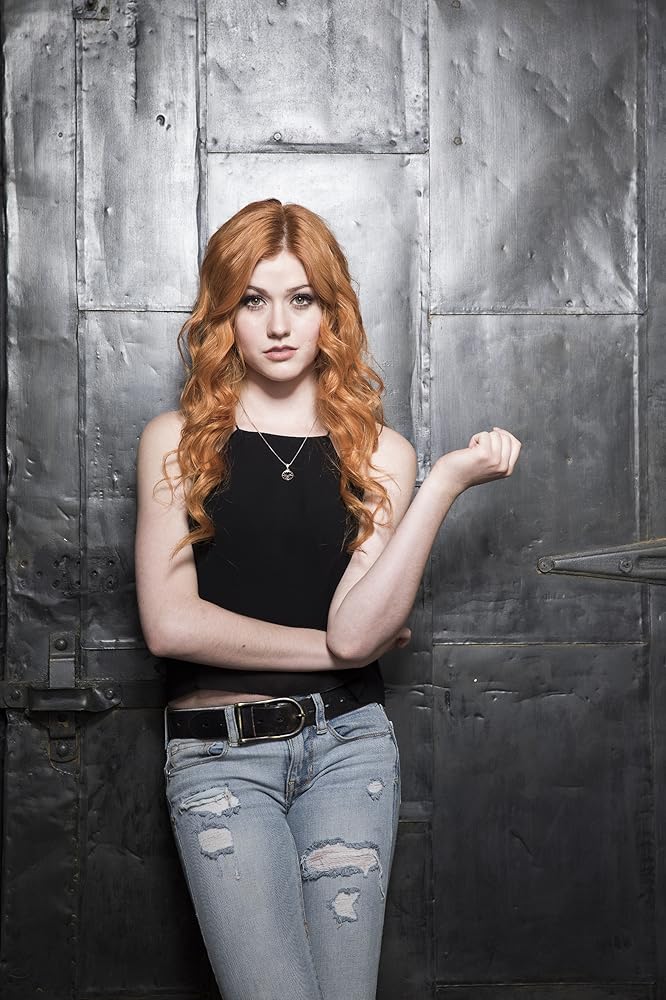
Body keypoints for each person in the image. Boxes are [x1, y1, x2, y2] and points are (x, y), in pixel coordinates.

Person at [134, 198, 521, 1000]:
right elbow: (170, 627)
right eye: (253, 300)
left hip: (349, 750)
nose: (279, 324)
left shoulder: (380, 454)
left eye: (301, 299)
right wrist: (336, 651)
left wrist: (443, 483)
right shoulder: (175, 441)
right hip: (220, 757)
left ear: (330, 312)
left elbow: (356, 629)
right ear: (224, 315)